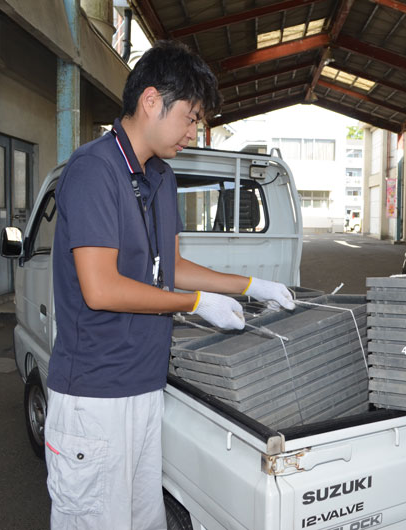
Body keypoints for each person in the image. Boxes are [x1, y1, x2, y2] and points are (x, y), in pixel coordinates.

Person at [44, 40, 294, 530]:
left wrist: (252, 285)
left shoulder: (158, 177)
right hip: (95, 397)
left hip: (143, 386)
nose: (194, 131)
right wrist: (197, 303)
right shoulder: (95, 170)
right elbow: (101, 288)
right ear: (152, 100)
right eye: (191, 115)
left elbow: (172, 266)